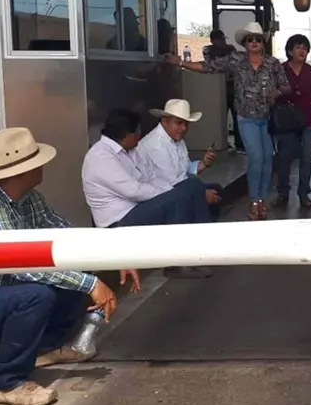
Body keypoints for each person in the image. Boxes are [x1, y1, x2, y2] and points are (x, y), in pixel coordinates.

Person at [0, 127, 127, 405]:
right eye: (36, 162)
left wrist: (109, 257)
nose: (43, 165)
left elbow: (64, 233)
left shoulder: (27, 197)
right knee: (37, 294)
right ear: (19, 172)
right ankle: (5, 383)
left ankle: (45, 347)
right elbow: (20, 265)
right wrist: (91, 285)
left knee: (73, 278)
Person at [169, 22, 291, 221]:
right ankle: (254, 201)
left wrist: (275, 93)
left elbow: (286, 86)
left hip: (266, 118)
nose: (254, 42)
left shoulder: (272, 63)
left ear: (263, 42)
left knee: (268, 160)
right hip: (246, 118)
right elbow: (209, 67)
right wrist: (181, 63)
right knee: (257, 159)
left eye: (258, 39)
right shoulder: (236, 60)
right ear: (244, 42)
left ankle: (261, 200)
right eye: (250, 39)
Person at [82, 109, 214, 278]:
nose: (140, 137)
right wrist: (170, 195)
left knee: (192, 185)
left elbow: (151, 177)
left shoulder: (133, 149)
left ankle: (201, 248)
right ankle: (176, 264)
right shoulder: (100, 157)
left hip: (140, 206)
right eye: (137, 133)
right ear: (126, 135)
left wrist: (172, 192)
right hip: (120, 221)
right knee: (176, 199)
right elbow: (134, 191)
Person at [137, 98, 222, 219]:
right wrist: (201, 195)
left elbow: (185, 168)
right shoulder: (155, 145)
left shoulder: (177, 139)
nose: (183, 128)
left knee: (215, 190)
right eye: (178, 123)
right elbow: (171, 184)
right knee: (199, 190)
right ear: (165, 121)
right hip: (163, 194)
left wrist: (204, 163)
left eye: (186, 124)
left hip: (180, 187)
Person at [271, 34, 311, 209]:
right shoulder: (280, 70)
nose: (302, 51)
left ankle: (304, 194)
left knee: (307, 159)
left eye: (305, 48)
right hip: (287, 124)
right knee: (284, 159)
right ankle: (283, 194)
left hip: (308, 121)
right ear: (289, 51)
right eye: (298, 47)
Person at [204, 29, 244, 153]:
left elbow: (235, 65)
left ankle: (239, 145)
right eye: (219, 39)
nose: (222, 42)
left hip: (233, 88)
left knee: (237, 117)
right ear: (212, 40)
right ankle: (219, 143)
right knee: (219, 118)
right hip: (218, 89)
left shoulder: (230, 49)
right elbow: (210, 64)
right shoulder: (209, 50)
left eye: (223, 39)